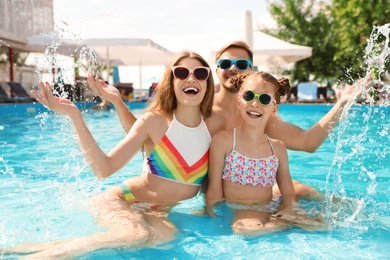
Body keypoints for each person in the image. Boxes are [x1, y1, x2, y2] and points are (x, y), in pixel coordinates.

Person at [3, 51, 223, 259]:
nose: (191, 79)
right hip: (122, 200)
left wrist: (118, 102)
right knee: (134, 235)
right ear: (171, 82)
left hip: (157, 211)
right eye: (182, 73)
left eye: (201, 73)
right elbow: (103, 169)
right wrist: (75, 117)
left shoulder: (214, 127)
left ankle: (21, 251)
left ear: (207, 84)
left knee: (163, 240)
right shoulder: (154, 122)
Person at [84, 40, 371, 200]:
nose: (233, 68)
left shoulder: (259, 115)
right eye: (224, 63)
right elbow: (151, 135)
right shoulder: (198, 111)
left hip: (248, 192)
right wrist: (119, 103)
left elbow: (308, 143)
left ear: (251, 70)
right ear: (215, 71)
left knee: (305, 192)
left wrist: (341, 103)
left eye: (242, 64)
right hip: (216, 197)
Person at [206, 72, 326, 236]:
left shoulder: (277, 148)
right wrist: (214, 216)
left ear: (274, 108)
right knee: (244, 231)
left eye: (264, 99)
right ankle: (284, 223)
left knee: (320, 227)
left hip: (269, 205)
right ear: (239, 101)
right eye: (249, 96)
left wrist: (291, 209)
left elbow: (288, 193)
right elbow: (214, 190)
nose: (255, 103)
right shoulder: (224, 141)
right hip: (241, 210)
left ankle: (286, 220)